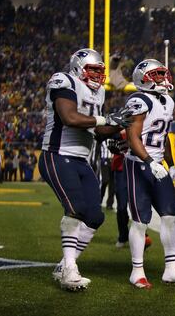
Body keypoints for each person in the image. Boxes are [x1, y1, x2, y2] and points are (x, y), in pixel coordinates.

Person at [38, 48, 132, 291]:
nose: (98, 75)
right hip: (57, 155)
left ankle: (64, 265)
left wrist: (118, 129)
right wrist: (106, 120)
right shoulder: (64, 80)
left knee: (95, 216)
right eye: (93, 70)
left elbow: (97, 131)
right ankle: (69, 269)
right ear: (78, 67)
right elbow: (70, 117)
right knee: (76, 209)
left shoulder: (98, 91)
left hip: (82, 160)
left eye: (101, 70)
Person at [124, 58, 175, 289]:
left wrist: (170, 164)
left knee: (171, 215)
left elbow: (163, 137)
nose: (164, 78)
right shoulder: (138, 100)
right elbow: (132, 136)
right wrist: (148, 160)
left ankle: (172, 269)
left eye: (163, 74)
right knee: (140, 220)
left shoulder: (168, 101)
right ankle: (137, 271)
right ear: (143, 79)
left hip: (157, 163)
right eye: (157, 75)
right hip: (138, 162)